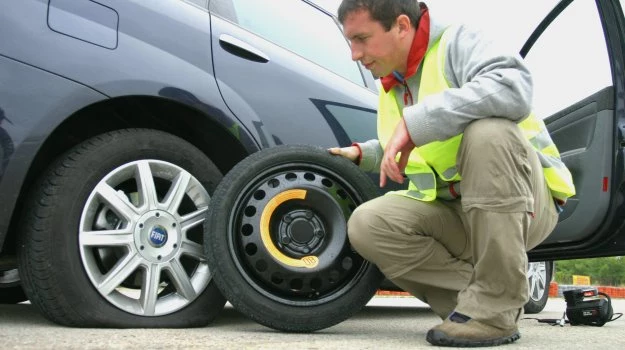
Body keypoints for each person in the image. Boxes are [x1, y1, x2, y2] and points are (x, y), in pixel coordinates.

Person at [329, 0, 575, 347]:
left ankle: (494, 310)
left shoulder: (457, 43)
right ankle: (482, 302)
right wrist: (363, 154)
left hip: (525, 205)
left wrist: (416, 124)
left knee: (489, 132)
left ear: (401, 26)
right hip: (458, 213)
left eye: (362, 38)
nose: (355, 53)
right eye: (350, 42)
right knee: (368, 223)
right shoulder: (394, 84)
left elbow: (513, 88)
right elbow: (411, 145)